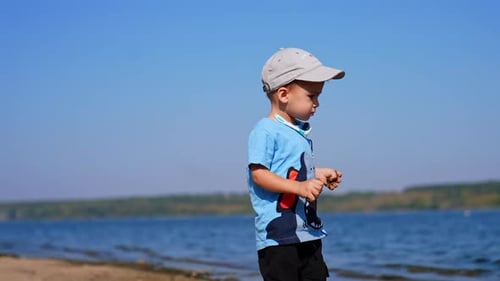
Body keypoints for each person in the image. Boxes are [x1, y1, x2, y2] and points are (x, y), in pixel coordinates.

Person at [247, 47, 345, 281]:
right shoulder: (265, 131)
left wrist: (318, 174)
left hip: (307, 233)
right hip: (279, 237)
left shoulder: (297, 133)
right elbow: (259, 175)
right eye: (312, 96)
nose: (317, 103)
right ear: (283, 94)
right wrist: (301, 188)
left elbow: (292, 172)